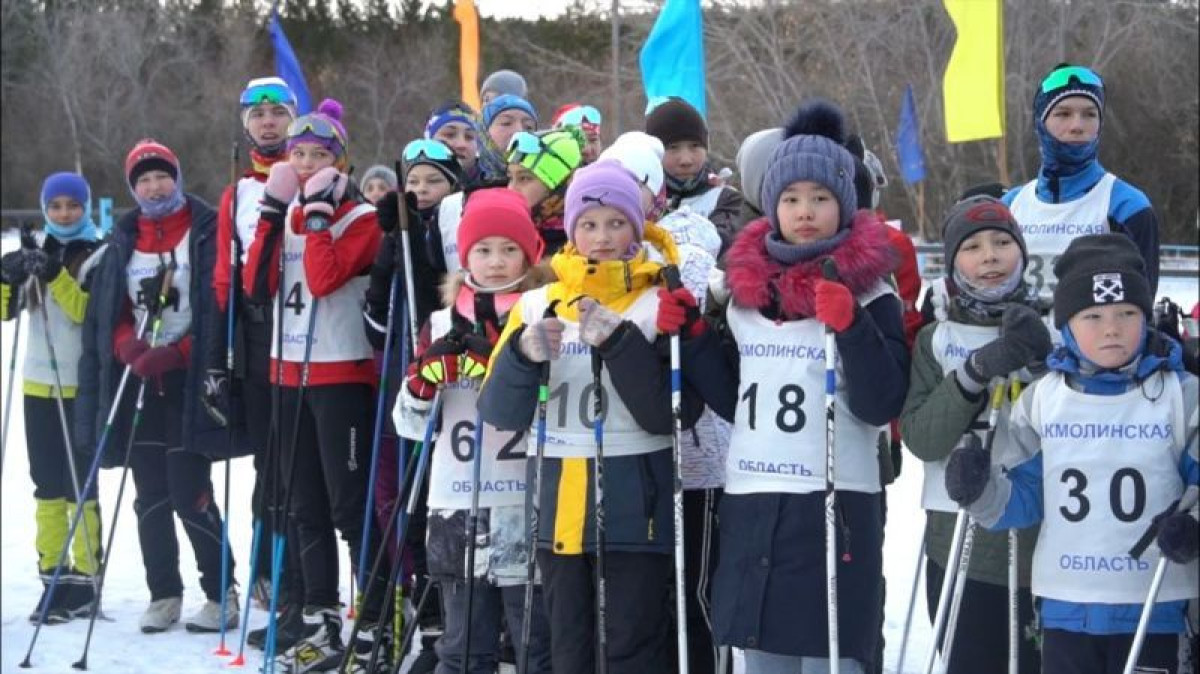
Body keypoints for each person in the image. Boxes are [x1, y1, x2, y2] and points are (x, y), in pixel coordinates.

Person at [665, 100, 909, 673]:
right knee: (765, 657)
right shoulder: (746, 293)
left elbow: (880, 403)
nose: (805, 212)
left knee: (834, 653)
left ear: (844, 204)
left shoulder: (872, 289)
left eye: (820, 198)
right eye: (792, 198)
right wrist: (696, 335)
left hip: (835, 500)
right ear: (771, 205)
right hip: (755, 500)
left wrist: (851, 326)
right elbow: (733, 399)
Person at [479, 160, 704, 672]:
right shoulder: (538, 303)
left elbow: (669, 415)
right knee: (568, 648)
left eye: (615, 222)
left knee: (630, 645)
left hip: (634, 510)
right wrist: (521, 355)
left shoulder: (655, 301)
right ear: (571, 230)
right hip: (557, 508)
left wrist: (620, 344)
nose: (601, 237)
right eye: (589, 223)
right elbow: (498, 411)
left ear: (635, 226)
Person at [945, 233, 1199, 674]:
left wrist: (1193, 526)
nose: (1112, 328)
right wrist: (978, 490)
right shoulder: (1043, 400)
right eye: (1093, 316)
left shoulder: (1182, 395)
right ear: (1066, 325)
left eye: (1127, 313)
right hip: (1067, 605)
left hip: (1152, 605)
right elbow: (1022, 496)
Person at [240, 98, 388, 671]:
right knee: (303, 505)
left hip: (340, 373)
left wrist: (320, 216)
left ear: (341, 162)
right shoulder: (285, 211)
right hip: (286, 373)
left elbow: (325, 281)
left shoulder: (361, 218)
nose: (304, 163)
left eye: (318, 154)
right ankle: (321, 614)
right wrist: (276, 217)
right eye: (297, 153)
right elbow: (256, 286)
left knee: (350, 508)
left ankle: (374, 618)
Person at [76, 140, 238, 634]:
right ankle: (163, 591)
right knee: (149, 493)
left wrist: (180, 352)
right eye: (143, 180)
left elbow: (217, 305)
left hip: (188, 379)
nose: (154, 186)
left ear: (177, 177)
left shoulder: (207, 228)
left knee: (189, 488)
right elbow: (111, 311)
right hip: (142, 377)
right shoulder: (125, 236)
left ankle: (220, 589)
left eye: (161, 176)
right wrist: (127, 346)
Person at [393, 187, 554, 674]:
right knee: (464, 646)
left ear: (530, 253)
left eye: (509, 249)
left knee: (533, 645)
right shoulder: (440, 320)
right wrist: (421, 383)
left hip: (524, 499)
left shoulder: (542, 314)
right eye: (483, 250)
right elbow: (410, 425)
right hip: (456, 498)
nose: (497, 262)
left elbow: (551, 404)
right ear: (464, 258)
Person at [900, 196, 1049, 674]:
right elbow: (922, 438)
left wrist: (1043, 364)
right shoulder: (937, 338)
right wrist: (975, 372)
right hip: (959, 546)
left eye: (1003, 242)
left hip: (1039, 546)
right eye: (973, 246)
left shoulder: (1058, 328)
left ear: (1022, 253)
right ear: (952, 261)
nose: (989, 256)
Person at [362, 137, 466, 674]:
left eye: (435, 181)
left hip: (457, 386)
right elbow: (376, 326)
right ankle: (420, 614)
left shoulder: (452, 232)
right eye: (416, 181)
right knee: (403, 498)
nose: (422, 191)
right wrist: (388, 249)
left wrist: (418, 239)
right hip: (408, 388)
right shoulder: (394, 237)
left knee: (438, 500)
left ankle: (450, 620)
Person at [207, 77, 299, 638]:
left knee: (302, 460)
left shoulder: (315, 172)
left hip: (312, 334)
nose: (268, 122)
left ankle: (306, 576)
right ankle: (268, 569)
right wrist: (220, 352)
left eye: (278, 113)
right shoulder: (237, 191)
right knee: (269, 461)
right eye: (258, 114)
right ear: (245, 124)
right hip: (261, 337)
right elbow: (225, 274)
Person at [1, 172, 105, 624]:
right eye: (56, 206)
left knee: (79, 483)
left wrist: (57, 274)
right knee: (46, 484)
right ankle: (54, 576)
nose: (65, 213)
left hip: (79, 384)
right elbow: (7, 311)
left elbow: (88, 312)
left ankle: (86, 578)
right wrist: (8, 275)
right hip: (37, 383)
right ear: (45, 209)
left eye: (73, 205)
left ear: (84, 208)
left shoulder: (98, 252)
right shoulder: (34, 253)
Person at [1003, 63, 1160, 303]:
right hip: (1020, 340)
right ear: (1040, 122)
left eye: (1089, 114)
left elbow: (1140, 309)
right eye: (1063, 114)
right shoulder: (1008, 205)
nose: (1077, 126)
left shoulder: (1127, 206)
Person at [645, 97, 744, 253]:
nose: (686, 160)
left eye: (694, 146)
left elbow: (723, 246)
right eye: (673, 148)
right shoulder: (643, 199)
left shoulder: (724, 198)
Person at [504, 127, 585, 258]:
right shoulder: (503, 236)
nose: (511, 189)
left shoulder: (587, 244)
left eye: (524, 178)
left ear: (559, 186)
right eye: (510, 178)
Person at [477, 95, 537, 186]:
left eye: (528, 127)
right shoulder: (459, 184)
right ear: (484, 133)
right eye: (506, 123)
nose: (519, 131)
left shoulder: (546, 187)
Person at [425, 101, 481, 187]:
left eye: (469, 137)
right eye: (449, 135)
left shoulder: (494, 188)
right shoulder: (412, 189)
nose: (461, 144)